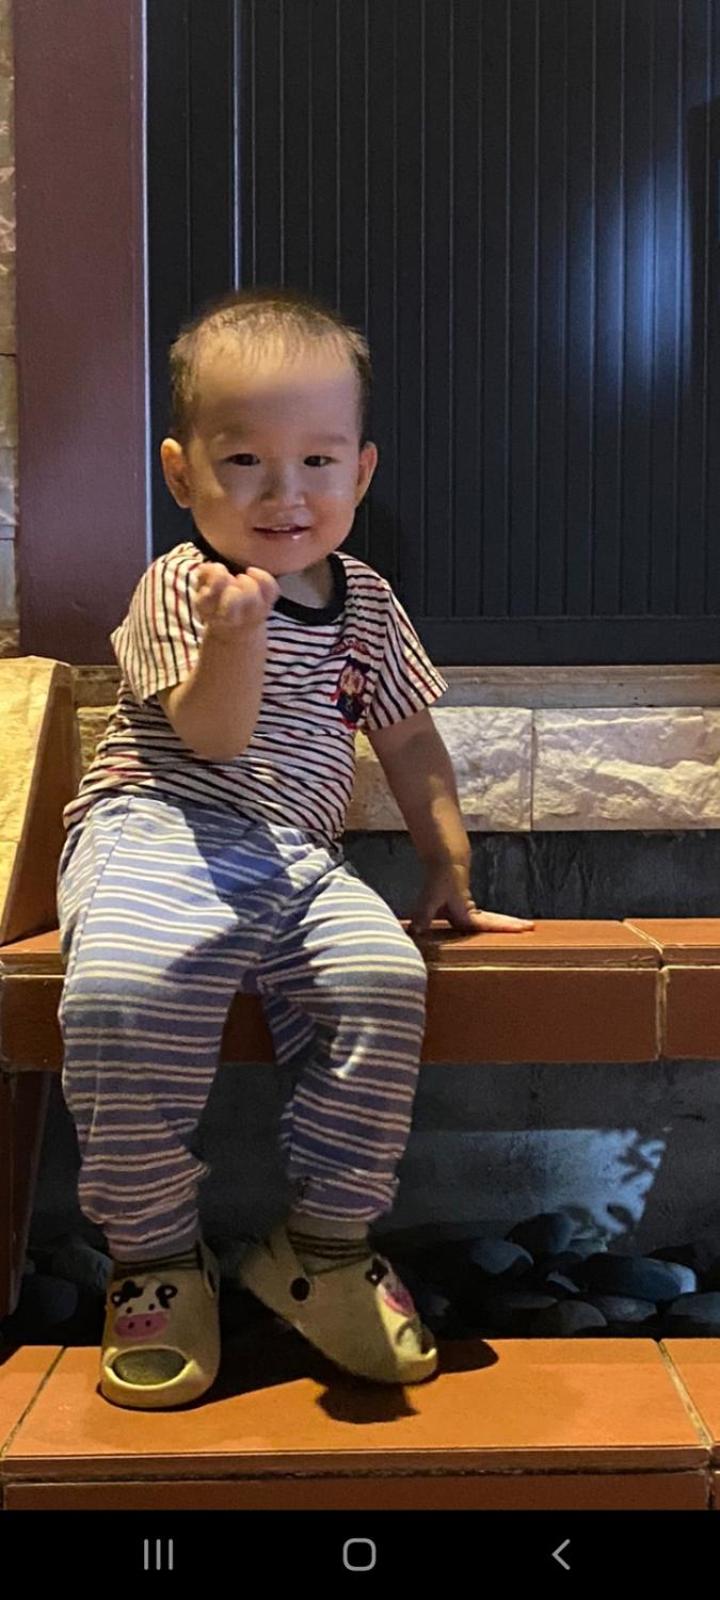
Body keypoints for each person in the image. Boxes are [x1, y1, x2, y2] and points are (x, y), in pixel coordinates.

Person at [57, 287, 533, 1409]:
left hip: (293, 855)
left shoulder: (367, 603)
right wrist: (238, 637)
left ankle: (321, 1241)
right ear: (183, 474)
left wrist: (448, 866)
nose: (286, 493)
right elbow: (212, 738)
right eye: (245, 462)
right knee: (119, 989)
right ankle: (155, 1252)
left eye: (317, 461)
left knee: (382, 978)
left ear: (360, 474)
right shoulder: (183, 586)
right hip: (156, 832)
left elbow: (410, 741)